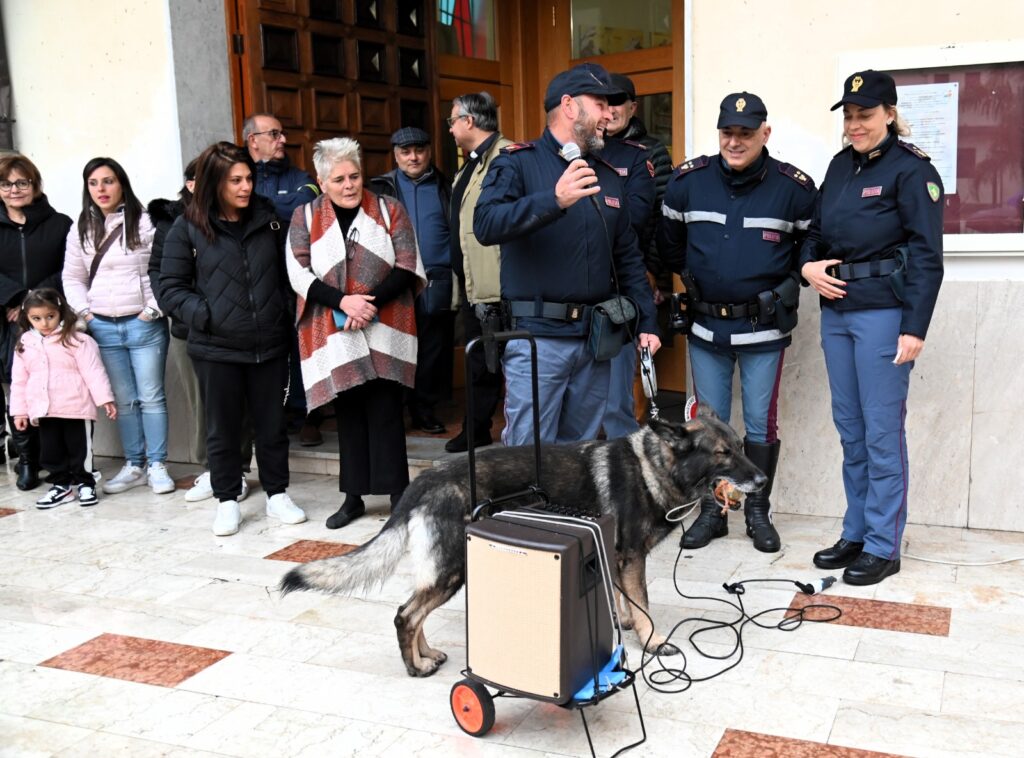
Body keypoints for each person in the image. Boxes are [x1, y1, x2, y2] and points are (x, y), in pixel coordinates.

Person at [802, 70, 943, 585]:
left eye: (865, 114)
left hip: (884, 313)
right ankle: (856, 531)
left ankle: (884, 545)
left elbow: (927, 256)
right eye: (849, 116)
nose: (855, 124)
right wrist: (807, 266)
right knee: (851, 429)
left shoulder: (912, 170)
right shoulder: (840, 166)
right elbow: (816, 232)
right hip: (837, 312)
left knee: (882, 431)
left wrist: (915, 327)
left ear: (889, 114)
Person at [659, 92, 816, 553]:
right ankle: (714, 512)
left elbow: (812, 246)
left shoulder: (794, 189)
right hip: (706, 328)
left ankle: (757, 511)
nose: (735, 141)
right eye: (727, 132)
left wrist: (790, 284)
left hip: (763, 329)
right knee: (710, 427)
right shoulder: (688, 182)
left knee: (760, 427)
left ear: (765, 133)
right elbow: (668, 244)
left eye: (745, 133)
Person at [474, 62, 660, 447]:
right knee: (528, 453)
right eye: (601, 104)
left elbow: (627, 256)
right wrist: (554, 200)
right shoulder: (517, 162)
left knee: (579, 454)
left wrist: (647, 321)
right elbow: (486, 224)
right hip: (537, 339)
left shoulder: (606, 174)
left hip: (594, 340)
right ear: (570, 106)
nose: (609, 114)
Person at [160, 141, 307, 536]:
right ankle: (226, 500)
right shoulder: (187, 227)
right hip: (216, 348)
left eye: (248, 178)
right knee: (222, 429)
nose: (246, 187)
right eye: (235, 180)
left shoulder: (269, 219)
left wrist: (281, 313)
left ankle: (277, 494)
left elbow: (286, 276)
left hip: (268, 343)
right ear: (214, 182)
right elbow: (170, 288)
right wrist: (208, 316)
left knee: (272, 426)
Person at [286, 137, 425, 529]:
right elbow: (297, 272)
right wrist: (343, 302)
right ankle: (353, 498)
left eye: (354, 176)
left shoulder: (389, 208)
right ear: (322, 181)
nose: (349, 185)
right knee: (348, 411)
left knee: (386, 409)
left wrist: (367, 304)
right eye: (339, 179)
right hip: (334, 326)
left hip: (387, 320)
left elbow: (408, 264)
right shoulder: (305, 216)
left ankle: (399, 495)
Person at [62, 157, 174, 496]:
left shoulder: (145, 222)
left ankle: (157, 464)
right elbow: (72, 276)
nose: (101, 189)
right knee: (124, 401)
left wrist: (152, 310)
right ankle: (134, 464)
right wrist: (86, 313)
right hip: (103, 327)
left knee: (151, 397)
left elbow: (164, 268)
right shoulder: (81, 227)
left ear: (122, 183)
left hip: (144, 325)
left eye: (108, 181)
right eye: (94, 183)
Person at [147, 160, 251, 504]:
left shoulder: (237, 216)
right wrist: (190, 311)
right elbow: (159, 273)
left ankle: (238, 469)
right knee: (200, 402)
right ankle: (211, 468)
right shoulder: (173, 222)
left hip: (232, 329)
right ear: (191, 184)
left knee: (235, 403)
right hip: (188, 328)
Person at [243, 111, 324, 446]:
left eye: (281, 133)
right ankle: (271, 417)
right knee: (265, 354)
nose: (283, 140)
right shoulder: (240, 173)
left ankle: (307, 415)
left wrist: (260, 207)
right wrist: (274, 207)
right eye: (274, 134)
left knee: (302, 347)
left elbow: (306, 205)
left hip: (295, 280)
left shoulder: (300, 177)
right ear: (253, 140)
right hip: (254, 283)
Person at [370, 127, 454, 436]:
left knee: (432, 348)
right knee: (394, 344)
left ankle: (424, 408)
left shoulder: (447, 185)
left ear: (429, 151)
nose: (413, 157)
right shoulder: (380, 188)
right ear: (396, 155)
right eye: (406, 152)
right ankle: (395, 410)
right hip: (395, 279)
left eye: (419, 150)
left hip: (437, 277)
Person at [0, 154, 72, 490]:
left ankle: (52, 458)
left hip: (49, 318)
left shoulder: (59, 224)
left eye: (21, 182)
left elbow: (69, 268)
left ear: (35, 185)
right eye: (6, 184)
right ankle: (27, 461)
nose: (14, 189)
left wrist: (32, 300)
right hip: (6, 319)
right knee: (19, 389)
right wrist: (14, 298)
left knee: (52, 387)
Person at [445, 91, 511, 452]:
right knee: (478, 360)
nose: (450, 129)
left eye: (452, 121)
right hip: (472, 283)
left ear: (468, 121)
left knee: (496, 361)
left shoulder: (508, 156)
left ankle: (491, 430)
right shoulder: (470, 162)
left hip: (497, 284)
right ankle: (476, 428)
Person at [9, 288, 116, 508]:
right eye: (36, 318)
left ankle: (86, 483)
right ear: (27, 317)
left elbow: (93, 371)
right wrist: (20, 412)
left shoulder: (78, 340)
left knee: (80, 450)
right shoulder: (25, 343)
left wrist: (105, 399)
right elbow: (19, 381)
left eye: (50, 316)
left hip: (76, 407)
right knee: (51, 451)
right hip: (44, 409)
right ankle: (61, 486)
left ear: (60, 312)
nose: (44, 323)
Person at [597, 74, 658, 438]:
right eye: (602, 102)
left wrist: (653, 273)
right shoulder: (569, 151)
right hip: (572, 290)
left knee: (619, 400)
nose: (609, 110)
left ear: (632, 108)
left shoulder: (640, 156)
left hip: (621, 282)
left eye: (617, 102)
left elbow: (643, 220)